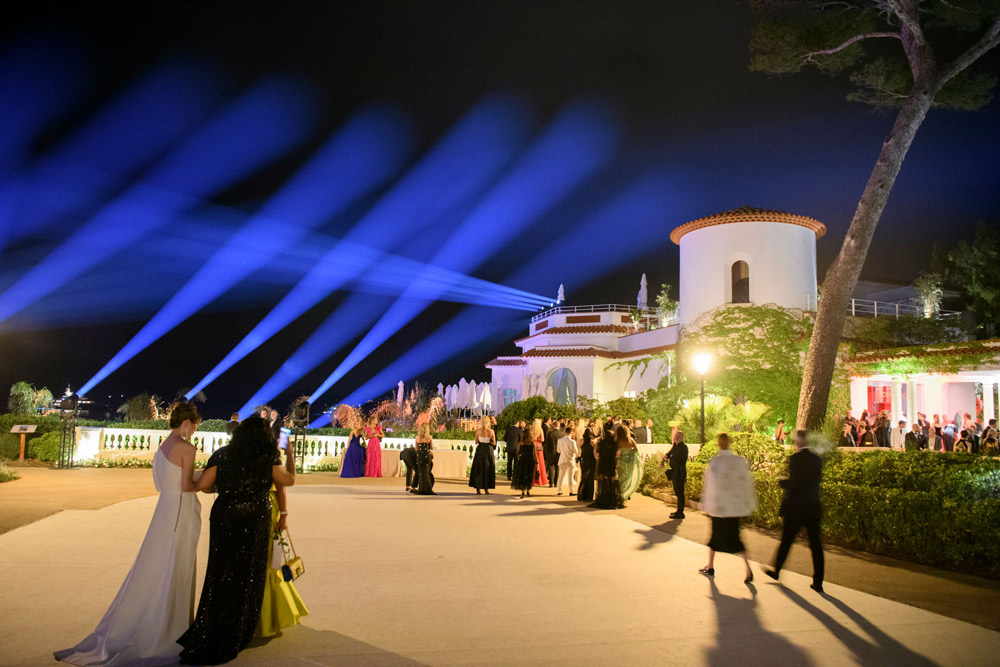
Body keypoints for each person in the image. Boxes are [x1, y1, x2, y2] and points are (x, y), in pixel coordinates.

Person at [55, 403, 203, 666]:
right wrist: (211, 477)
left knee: (153, 568)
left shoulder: (163, 448)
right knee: (176, 569)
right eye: (194, 425)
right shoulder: (187, 448)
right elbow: (188, 486)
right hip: (180, 515)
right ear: (187, 423)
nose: (194, 431)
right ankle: (172, 632)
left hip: (163, 513)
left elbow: (163, 484)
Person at [179, 416, 296, 664]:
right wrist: (289, 452)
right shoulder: (266, 457)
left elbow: (204, 486)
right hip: (254, 519)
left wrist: (228, 487)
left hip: (225, 516)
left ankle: (213, 625)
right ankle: (239, 627)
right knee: (248, 575)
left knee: (220, 572)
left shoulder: (222, 454)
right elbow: (289, 480)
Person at [765, 429, 824, 594]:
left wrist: (781, 483)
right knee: (816, 545)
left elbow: (794, 483)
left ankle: (776, 571)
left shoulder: (795, 459)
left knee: (787, 540)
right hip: (813, 506)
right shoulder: (817, 460)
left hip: (796, 507)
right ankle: (818, 581)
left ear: (798, 442)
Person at [699, 433, 756, 583]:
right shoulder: (739, 461)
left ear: (718, 444)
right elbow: (746, 482)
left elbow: (710, 486)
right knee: (736, 539)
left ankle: (710, 566)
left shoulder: (716, 462)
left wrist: (706, 504)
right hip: (734, 508)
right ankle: (748, 569)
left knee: (714, 538)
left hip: (719, 508)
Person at [255, 480, 308, 639]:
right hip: (248, 507)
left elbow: (285, 482)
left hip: (268, 506)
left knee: (269, 560)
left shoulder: (271, 456)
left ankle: (269, 615)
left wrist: (284, 514)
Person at [589, 420, 625, 509]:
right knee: (612, 481)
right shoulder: (614, 444)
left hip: (603, 464)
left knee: (603, 482)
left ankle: (603, 498)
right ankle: (612, 499)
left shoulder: (601, 443)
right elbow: (617, 454)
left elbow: (597, 453)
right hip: (611, 463)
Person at [664, 430, 689, 519]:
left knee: (680, 492)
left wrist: (669, 459)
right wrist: (665, 458)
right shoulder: (675, 446)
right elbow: (669, 454)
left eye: (678, 436)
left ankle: (680, 513)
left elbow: (678, 460)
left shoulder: (683, 448)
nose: (676, 437)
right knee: (677, 491)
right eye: (676, 436)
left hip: (680, 472)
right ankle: (678, 511)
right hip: (675, 472)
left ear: (682, 438)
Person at [469, 415, 496, 494]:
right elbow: (494, 443)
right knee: (487, 468)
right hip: (488, 450)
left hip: (480, 449)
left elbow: (476, 442)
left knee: (479, 468)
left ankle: (478, 487)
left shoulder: (478, 431)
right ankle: (486, 488)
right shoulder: (491, 431)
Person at [615, 425, 641, 500]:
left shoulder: (617, 441)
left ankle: (620, 493)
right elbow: (636, 449)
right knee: (628, 478)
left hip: (620, 462)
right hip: (629, 461)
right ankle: (627, 493)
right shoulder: (630, 440)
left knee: (620, 478)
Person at [576, 419, 598, 502]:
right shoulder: (592, 442)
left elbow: (579, 449)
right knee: (590, 478)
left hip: (584, 460)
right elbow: (595, 452)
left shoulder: (583, 442)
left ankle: (582, 494)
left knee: (584, 476)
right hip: (591, 460)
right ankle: (589, 495)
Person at [511, 429, 537, 498]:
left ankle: (522, 491)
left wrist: (519, 457)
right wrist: (536, 462)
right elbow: (534, 453)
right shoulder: (532, 443)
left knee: (522, 475)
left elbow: (517, 451)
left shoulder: (521, 442)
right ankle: (528, 490)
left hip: (523, 459)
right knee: (529, 475)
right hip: (530, 459)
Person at [413, 423, 436, 495]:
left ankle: (421, 488)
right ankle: (428, 489)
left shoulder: (417, 437)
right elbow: (431, 447)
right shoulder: (429, 437)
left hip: (419, 456)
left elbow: (416, 448)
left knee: (421, 472)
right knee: (426, 472)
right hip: (426, 455)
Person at [555, 425, 579, 496]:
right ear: (571, 433)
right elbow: (576, 451)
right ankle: (571, 491)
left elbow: (558, 451)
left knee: (561, 476)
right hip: (570, 460)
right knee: (570, 477)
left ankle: (559, 490)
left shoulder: (560, 440)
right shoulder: (572, 442)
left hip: (562, 459)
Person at [530, 418, 549, 487]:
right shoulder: (540, 430)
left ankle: (533, 479)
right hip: (539, 446)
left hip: (533, 446)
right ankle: (541, 480)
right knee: (540, 463)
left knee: (533, 463)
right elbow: (543, 439)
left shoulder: (532, 430)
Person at [543, 422, 560, 487]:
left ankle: (551, 482)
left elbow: (547, 444)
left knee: (551, 467)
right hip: (559, 453)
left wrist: (547, 452)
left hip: (551, 452)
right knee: (557, 467)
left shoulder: (550, 433)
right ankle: (556, 482)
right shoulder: (562, 434)